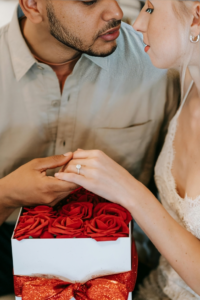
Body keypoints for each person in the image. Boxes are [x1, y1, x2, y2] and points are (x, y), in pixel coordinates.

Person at [0, 0, 179, 296]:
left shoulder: (158, 67)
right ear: (32, 5)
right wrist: (6, 194)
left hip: (120, 257)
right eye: (89, 0)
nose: (117, 13)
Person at [56, 0, 200, 299]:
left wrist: (130, 193)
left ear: (197, 17)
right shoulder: (187, 80)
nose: (136, 24)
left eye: (150, 8)